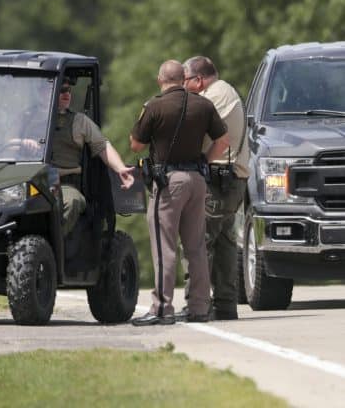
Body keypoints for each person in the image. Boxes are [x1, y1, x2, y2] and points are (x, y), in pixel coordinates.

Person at [129, 60, 229, 326]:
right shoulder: (204, 105)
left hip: (169, 183)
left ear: (160, 79)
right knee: (196, 247)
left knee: (164, 247)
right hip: (197, 179)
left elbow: (136, 145)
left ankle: (162, 308)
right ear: (184, 78)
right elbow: (223, 141)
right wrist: (204, 162)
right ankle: (199, 307)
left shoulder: (154, 106)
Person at [180, 56, 250, 321]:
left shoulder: (212, 97)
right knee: (225, 243)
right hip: (232, 179)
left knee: (198, 241)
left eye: (185, 80)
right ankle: (225, 304)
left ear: (198, 80)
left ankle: (197, 305)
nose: (182, 85)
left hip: (217, 180)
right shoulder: (225, 92)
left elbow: (190, 131)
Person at [19, 80, 136, 236]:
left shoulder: (79, 121)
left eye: (68, 90)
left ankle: (52, 246)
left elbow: (102, 146)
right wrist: (22, 143)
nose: (67, 94)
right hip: (29, 183)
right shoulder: (26, 119)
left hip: (64, 186)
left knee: (72, 201)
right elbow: (3, 145)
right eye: (61, 90)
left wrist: (120, 168)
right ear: (43, 93)